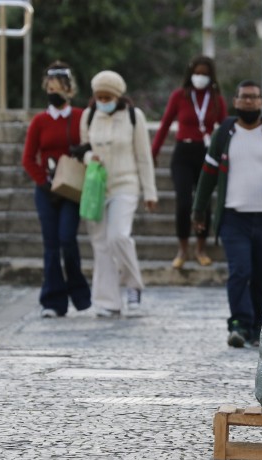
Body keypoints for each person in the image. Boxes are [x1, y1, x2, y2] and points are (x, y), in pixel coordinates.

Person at [193, 80, 262, 348]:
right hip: (233, 216)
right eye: (244, 97)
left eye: (254, 97)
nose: (249, 102)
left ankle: (256, 324)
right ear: (236, 101)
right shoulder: (224, 134)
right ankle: (239, 323)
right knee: (240, 270)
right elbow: (207, 177)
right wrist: (199, 210)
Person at [78, 71, 158, 317]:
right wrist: (91, 157)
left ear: (117, 95)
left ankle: (133, 286)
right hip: (97, 186)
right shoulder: (89, 115)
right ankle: (108, 300)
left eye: (107, 96)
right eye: (99, 96)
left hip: (126, 183)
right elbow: (83, 149)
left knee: (118, 236)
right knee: (100, 243)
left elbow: (144, 156)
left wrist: (150, 191)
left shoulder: (134, 117)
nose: (103, 100)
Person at [21, 61, 91, 318]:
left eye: (58, 89)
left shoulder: (81, 117)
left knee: (67, 240)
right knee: (51, 245)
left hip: (71, 187)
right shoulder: (40, 121)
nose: (54, 93)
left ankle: (79, 292)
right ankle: (52, 300)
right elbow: (28, 158)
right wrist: (44, 182)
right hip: (47, 188)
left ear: (69, 91)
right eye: (50, 88)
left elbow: (89, 145)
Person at [151, 56, 228, 269]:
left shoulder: (215, 99)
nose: (200, 77)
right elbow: (165, 124)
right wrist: (153, 152)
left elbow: (225, 128)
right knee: (184, 203)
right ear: (190, 74)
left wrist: (229, 155)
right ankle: (182, 249)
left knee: (202, 204)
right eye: (197, 73)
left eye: (205, 74)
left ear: (211, 76)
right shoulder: (179, 96)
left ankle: (200, 249)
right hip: (182, 154)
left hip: (207, 155)